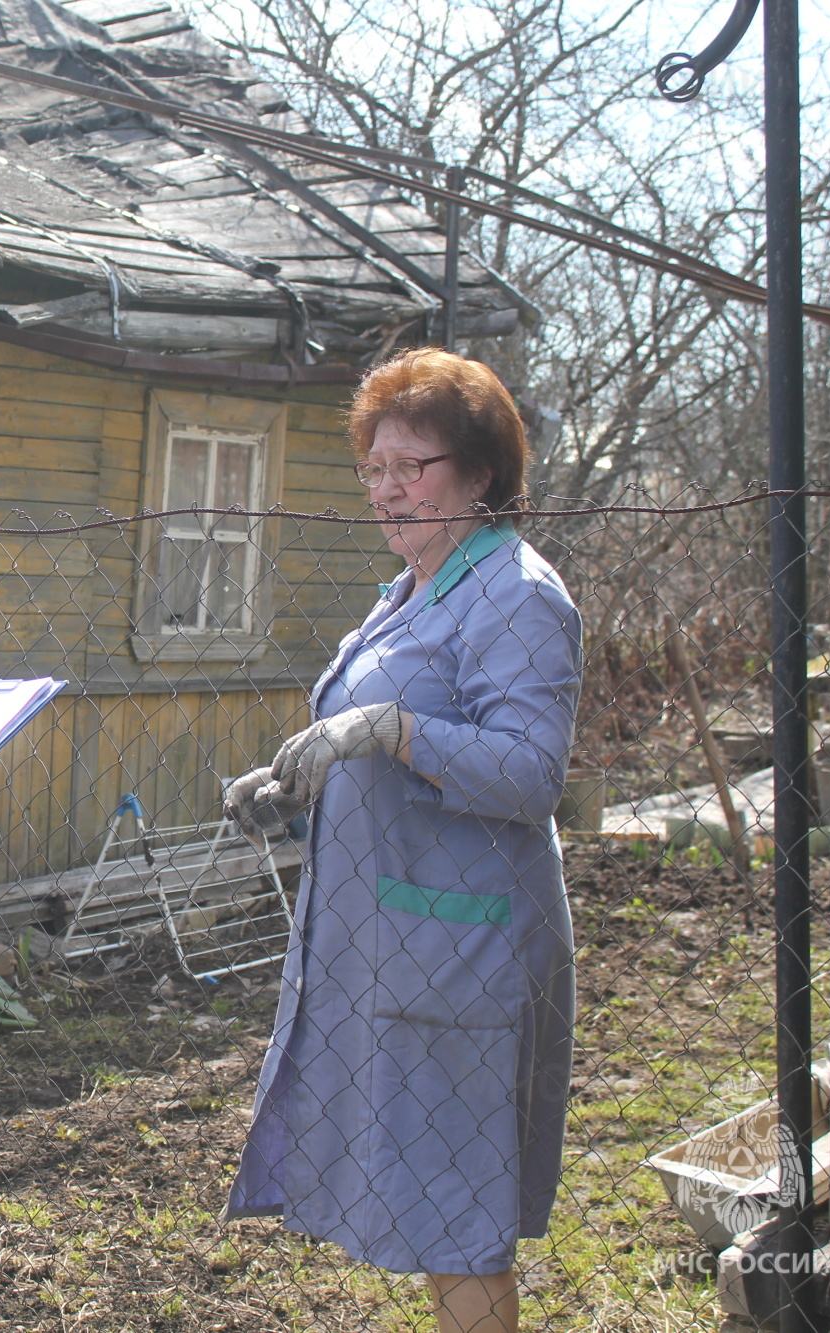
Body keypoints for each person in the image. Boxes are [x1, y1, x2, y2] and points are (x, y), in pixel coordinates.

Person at [222, 348, 581, 1333]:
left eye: (408, 467)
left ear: (477, 472)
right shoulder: (411, 589)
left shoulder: (516, 594)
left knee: (461, 1215)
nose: (385, 489)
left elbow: (529, 774)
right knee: (431, 1205)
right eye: (372, 469)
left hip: (466, 957)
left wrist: (391, 730)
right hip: (397, 946)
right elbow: (378, 761)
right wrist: (297, 787)